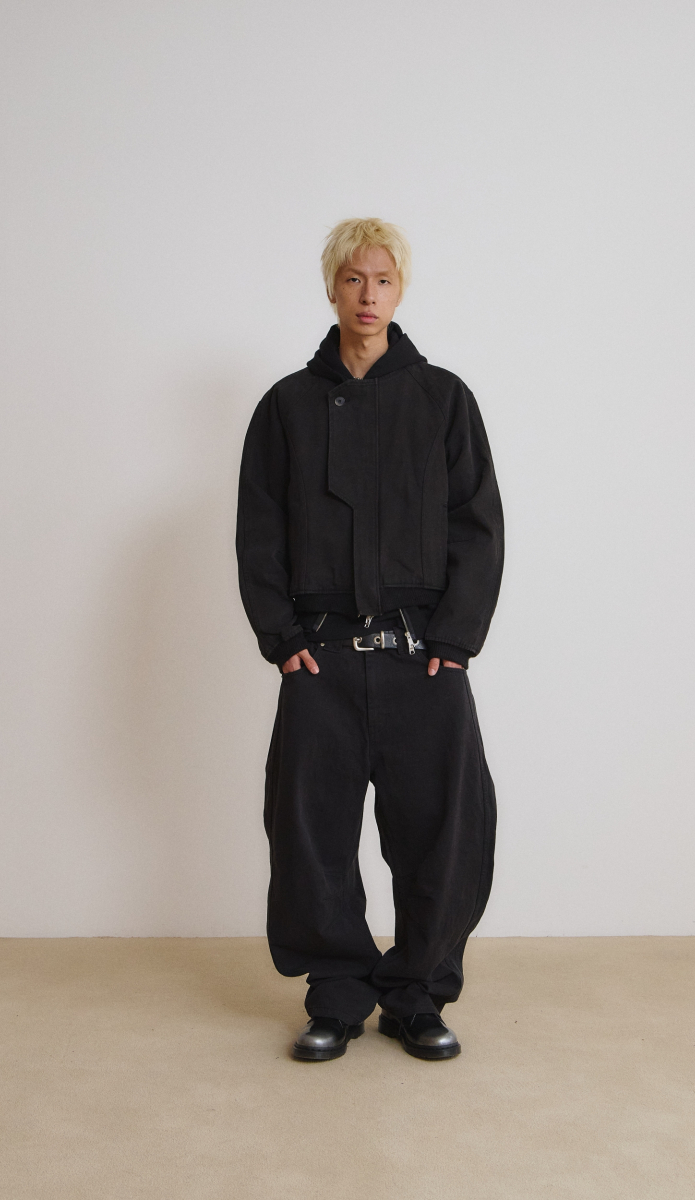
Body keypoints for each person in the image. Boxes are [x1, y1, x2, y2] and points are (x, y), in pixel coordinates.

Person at [236, 218, 503, 1061]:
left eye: (383, 280)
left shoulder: (443, 399)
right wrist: (282, 637)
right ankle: (338, 996)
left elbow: (478, 527)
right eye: (354, 279)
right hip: (321, 658)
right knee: (309, 835)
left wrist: (455, 639)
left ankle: (417, 995)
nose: (368, 295)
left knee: (443, 834)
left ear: (400, 290)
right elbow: (260, 532)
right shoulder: (287, 406)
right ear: (332, 288)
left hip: (424, 659)